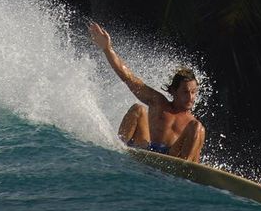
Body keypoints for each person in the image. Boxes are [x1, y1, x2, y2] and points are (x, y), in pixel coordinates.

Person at [88, 20, 205, 162]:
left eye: (194, 92)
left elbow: (196, 159)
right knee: (138, 109)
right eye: (185, 92)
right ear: (174, 91)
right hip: (146, 149)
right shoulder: (159, 103)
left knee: (198, 127)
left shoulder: (192, 124)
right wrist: (107, 49)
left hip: (172, 160)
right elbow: (129, 78)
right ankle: (116, 152)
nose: (191, 97)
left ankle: (182, 169)